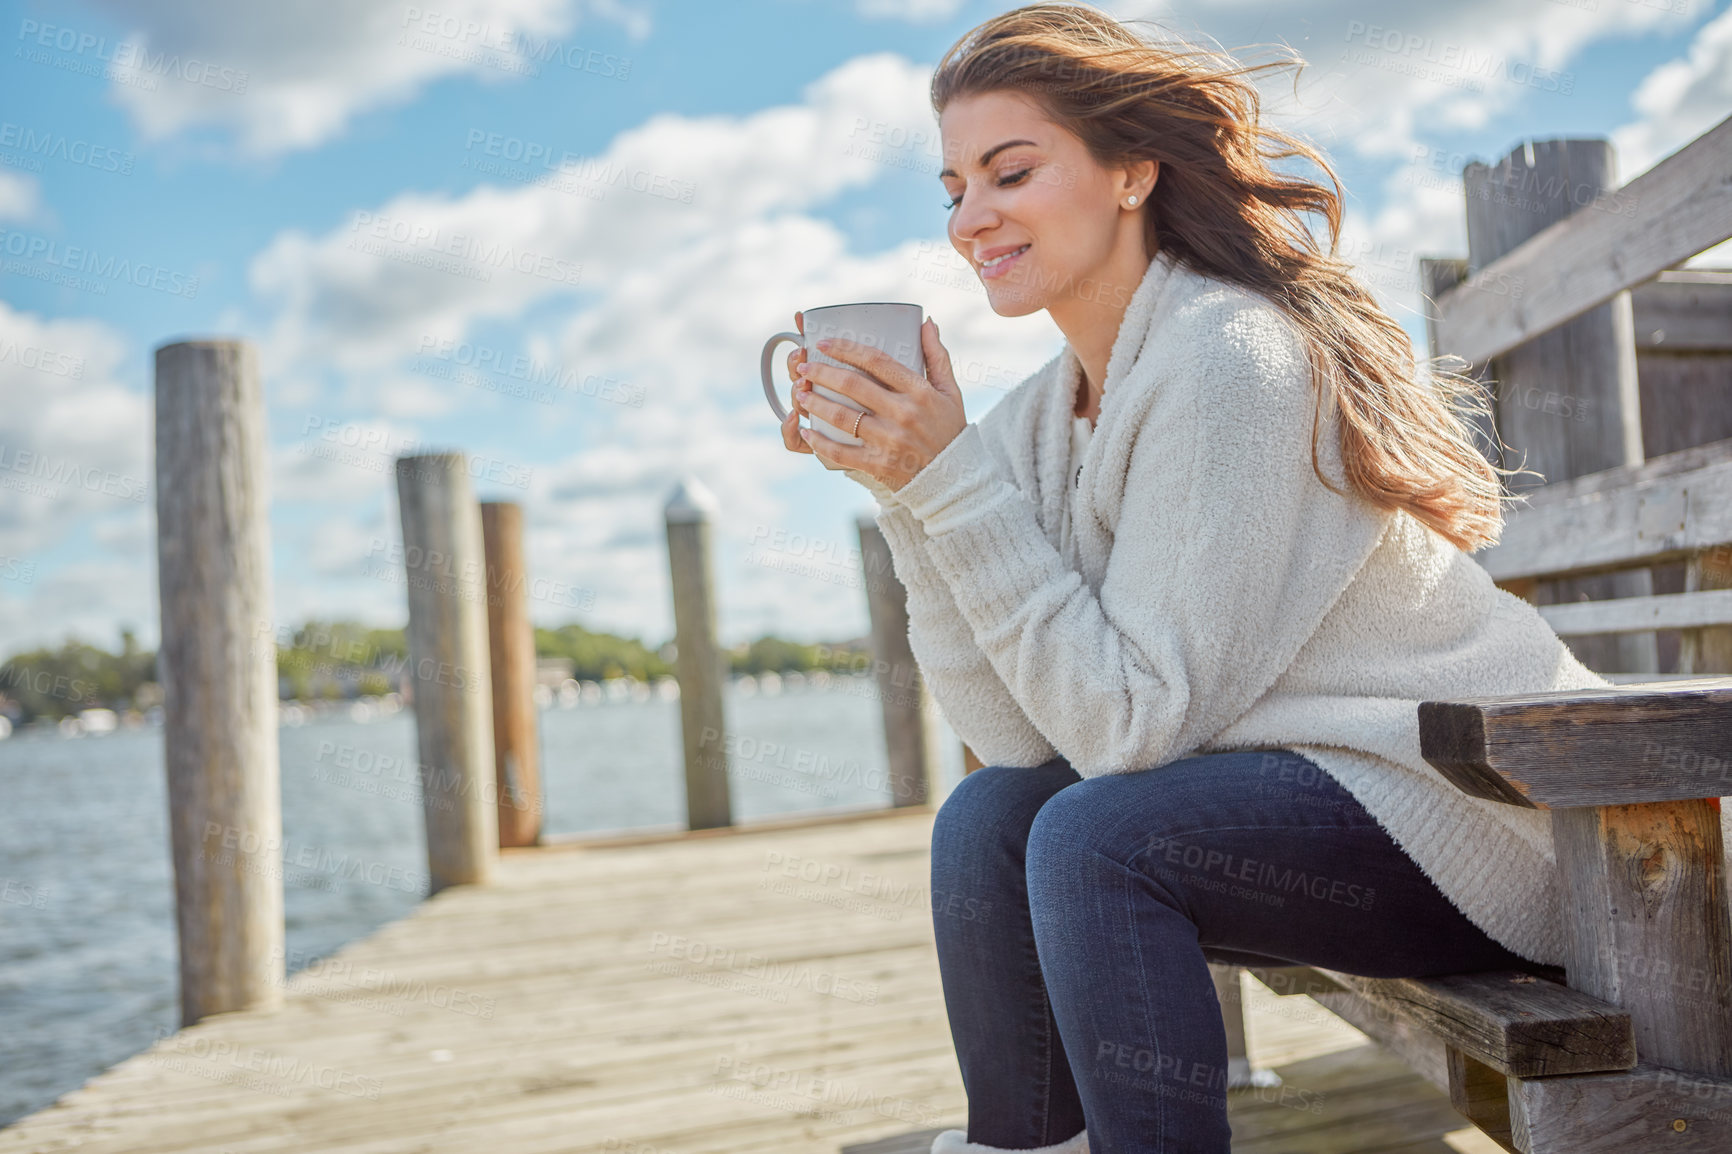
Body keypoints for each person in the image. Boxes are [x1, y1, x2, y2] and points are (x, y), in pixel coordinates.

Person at [776, 5, 1608, 1151]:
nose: (971, 218)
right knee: (990, 815)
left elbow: (1126, 730)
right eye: (954, 186)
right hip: (1303, 797)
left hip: (1487, 815)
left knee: (1097, 835)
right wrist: (912, 492)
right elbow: (1022, 741)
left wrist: (950, 482)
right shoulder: (1034, 416)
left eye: (1009, 172)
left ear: (1130, 171)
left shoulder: (1231, 357)